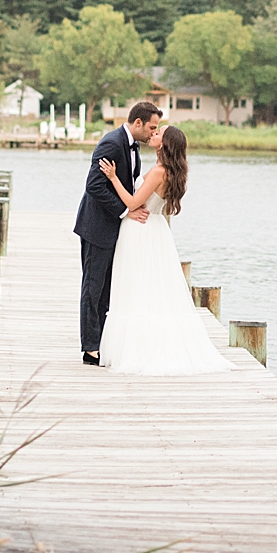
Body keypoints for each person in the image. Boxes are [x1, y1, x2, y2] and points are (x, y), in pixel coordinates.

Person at [96, 125, 230, 376]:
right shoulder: (173, 172)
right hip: (156, 228)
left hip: (140, 228)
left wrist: (113, 178)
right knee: (151, 287)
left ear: (164, 143)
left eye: (159, 133)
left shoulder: (159, 172)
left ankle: (138, 350)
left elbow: (135, 203)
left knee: (136, 287)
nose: (154, 134)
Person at [74, 102, 162, 366]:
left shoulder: (133, 148)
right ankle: (90, 348)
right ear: (138, 123)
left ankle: (103, 343)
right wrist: (125, 211)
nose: (152, 133)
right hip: (97, 226)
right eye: (151, 127)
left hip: (116, 230)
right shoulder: (111, 144)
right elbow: (94, 186)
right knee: (93, 288)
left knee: (107, 290)